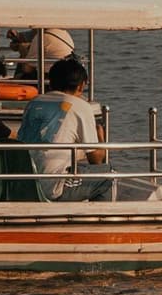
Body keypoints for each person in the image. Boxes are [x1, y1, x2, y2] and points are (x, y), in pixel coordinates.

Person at [12, 57, 102, 199]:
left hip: (24, 186)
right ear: (81, 85)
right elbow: (96, 160)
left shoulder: (34, 103)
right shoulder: (80, 106)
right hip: (53, 187)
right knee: (108, 176)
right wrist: (101, 138)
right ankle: (95, 218)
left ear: (51, 82)